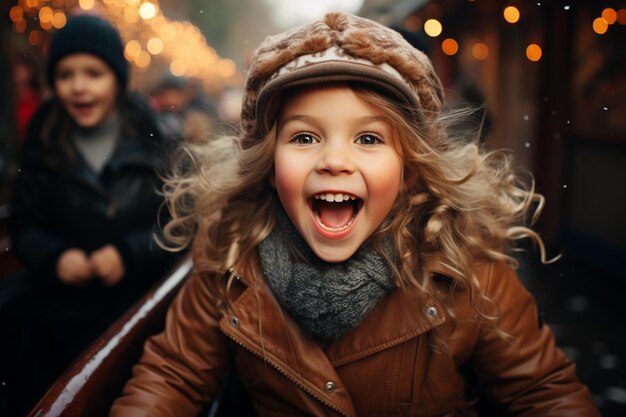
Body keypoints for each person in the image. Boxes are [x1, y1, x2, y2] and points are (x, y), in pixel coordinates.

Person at [110, 12, 600, 417]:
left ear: (410, 168)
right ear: (268, 164)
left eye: (368, 139)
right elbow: (173, 375)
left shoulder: (464, 267)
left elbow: (542, 392)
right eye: (304, 137)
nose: (334, 161)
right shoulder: (232, 256)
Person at [8, 14, 178, 411]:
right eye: (66, 75)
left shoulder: (155, 138)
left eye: (93, 73)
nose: (79, 87)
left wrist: (128, 253)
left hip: (138, 315)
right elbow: (24, 223)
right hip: (59, 319)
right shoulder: (41, 141)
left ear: (116, 78)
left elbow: (180, 225)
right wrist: (54, 256)